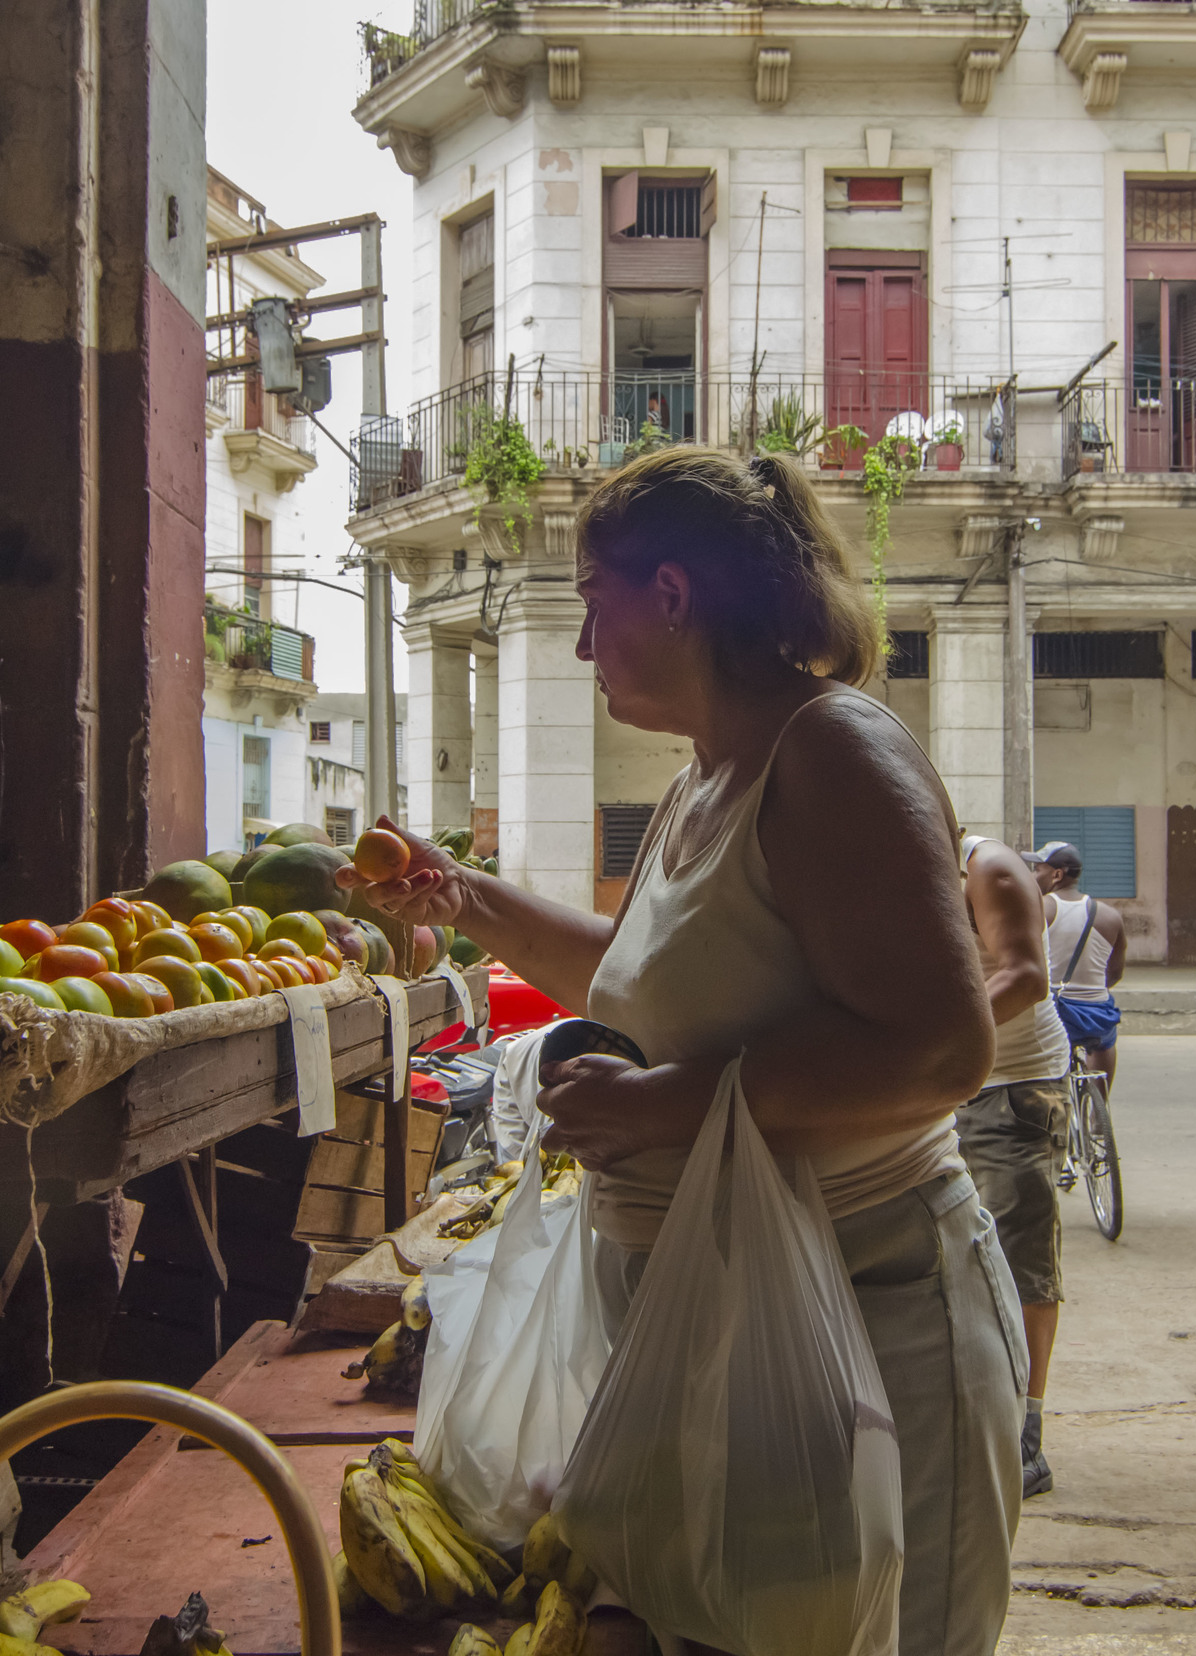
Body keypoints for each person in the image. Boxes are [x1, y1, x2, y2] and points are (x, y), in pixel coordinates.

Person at [341, 445, 1021, 1655]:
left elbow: (937, 1047)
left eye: (594, 601)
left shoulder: (833, 750)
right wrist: (468, 902)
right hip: (729, 1325)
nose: (584, 642)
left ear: (670, 594)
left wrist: (668, 1106)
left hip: (876, 1315)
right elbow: (639, 979)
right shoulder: (702, 781)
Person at [957, 832, 1073, 1499]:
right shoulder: (881, 866)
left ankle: (1027, 1433)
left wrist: (933, 1040)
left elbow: (1025, 977)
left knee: (1020, 1261)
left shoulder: (988, 867)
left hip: (1012, 1092)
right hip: (949, 1088)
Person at [1029, 843, 1125, 1096]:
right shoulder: (1109, 915)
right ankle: (1098, 1114)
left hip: (1054, 1010)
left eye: (1037, 869)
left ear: (1057, 875)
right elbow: (1114, 974)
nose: (1032, 875)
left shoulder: (1039, 909)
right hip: (1096, 1011)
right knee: (1106, 1039)